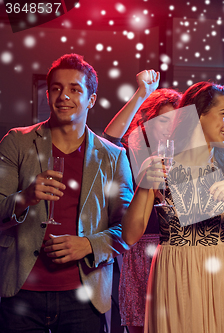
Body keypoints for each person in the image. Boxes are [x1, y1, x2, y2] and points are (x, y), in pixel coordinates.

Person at [0, 53, 133, 332]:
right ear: (48, 95)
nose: (64, 96)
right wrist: (26, 196)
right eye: (57, 89)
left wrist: (88, 245)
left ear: (91, 99)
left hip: (84, 296)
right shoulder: (17, 142)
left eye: (75, 89)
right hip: (21, 292)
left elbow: (128, 229)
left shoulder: (113, 157)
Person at [122, 81, 224, 332]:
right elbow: (130, 235)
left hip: (222, 273)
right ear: (198, 114)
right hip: (174, 273)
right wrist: (144, 186)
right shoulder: (160, 167)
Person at [102, 70, 182, 333]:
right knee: (140, 324)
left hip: (177, 251)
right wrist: (142, 94)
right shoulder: (131, 152)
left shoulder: (187, 155)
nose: (169, 127)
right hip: (140, 250)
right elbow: (109, 138)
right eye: (162, 121)